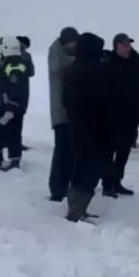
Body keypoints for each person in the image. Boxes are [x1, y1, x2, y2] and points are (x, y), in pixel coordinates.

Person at [63, 32, 111, 221]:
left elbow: (65, 99)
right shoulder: (97, 70)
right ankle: (77, 211)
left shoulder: (73, 68)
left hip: (77, 125)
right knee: (90, 169)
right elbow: (104, 100)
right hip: (96, 128)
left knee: (80, 166)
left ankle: (75, 208)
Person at [101, 33, 139, 197]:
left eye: (129, 45)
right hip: (111, 116)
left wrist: (136, 58)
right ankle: (107, 184)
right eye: (125, 45)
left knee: (123, 152)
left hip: (130, 116)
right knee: (108, 152)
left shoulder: (134, 62)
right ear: (116, 46)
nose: (128, 47)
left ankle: (117, 182)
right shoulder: (108, 63)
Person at [0, 37, 30, 171]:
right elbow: (3, 77)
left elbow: (16, 89)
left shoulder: (16, 65)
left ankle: (12, 159)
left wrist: (10, 109)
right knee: (4, 130)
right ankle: (0, 156)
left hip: (12, 106)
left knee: (9, 132)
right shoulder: (12, 62)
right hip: (10, 105)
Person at [47, 26, 78, 201]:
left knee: (69, 151)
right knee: (62, 151)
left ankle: (63, 185)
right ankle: (57, 188)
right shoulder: (57, 55)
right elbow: (61, 66)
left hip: (68, 112)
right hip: (61, 113)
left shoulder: (62, 54)